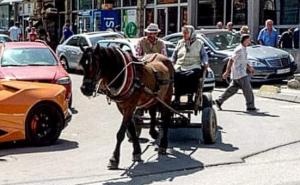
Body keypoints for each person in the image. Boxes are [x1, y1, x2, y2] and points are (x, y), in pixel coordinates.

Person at [215, 34, 257, 112]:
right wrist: (227, 72)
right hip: (240, 73)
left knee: (232, 89)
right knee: (248, 90)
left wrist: (249, 67)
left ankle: (219, 101)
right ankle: (250, 106)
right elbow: (231, 60)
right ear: (244, 40)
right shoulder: (239, 49)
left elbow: (243, 60)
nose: (250, 41)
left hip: (239, 73)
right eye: (248, 40)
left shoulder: (244, 49)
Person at [172, 25, 209, 104]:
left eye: (186, 33)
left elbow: (204, 55)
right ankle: (177, 98)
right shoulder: (180, 42)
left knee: (193, 75)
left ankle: (190, 97)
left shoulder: (199, 43)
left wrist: (205, 62)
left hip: (194, 65)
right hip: (180, 65)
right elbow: (174, 55)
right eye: (183, 33)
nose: (184, 35)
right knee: (176, 74)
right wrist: (172, 62)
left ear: (191, 33)